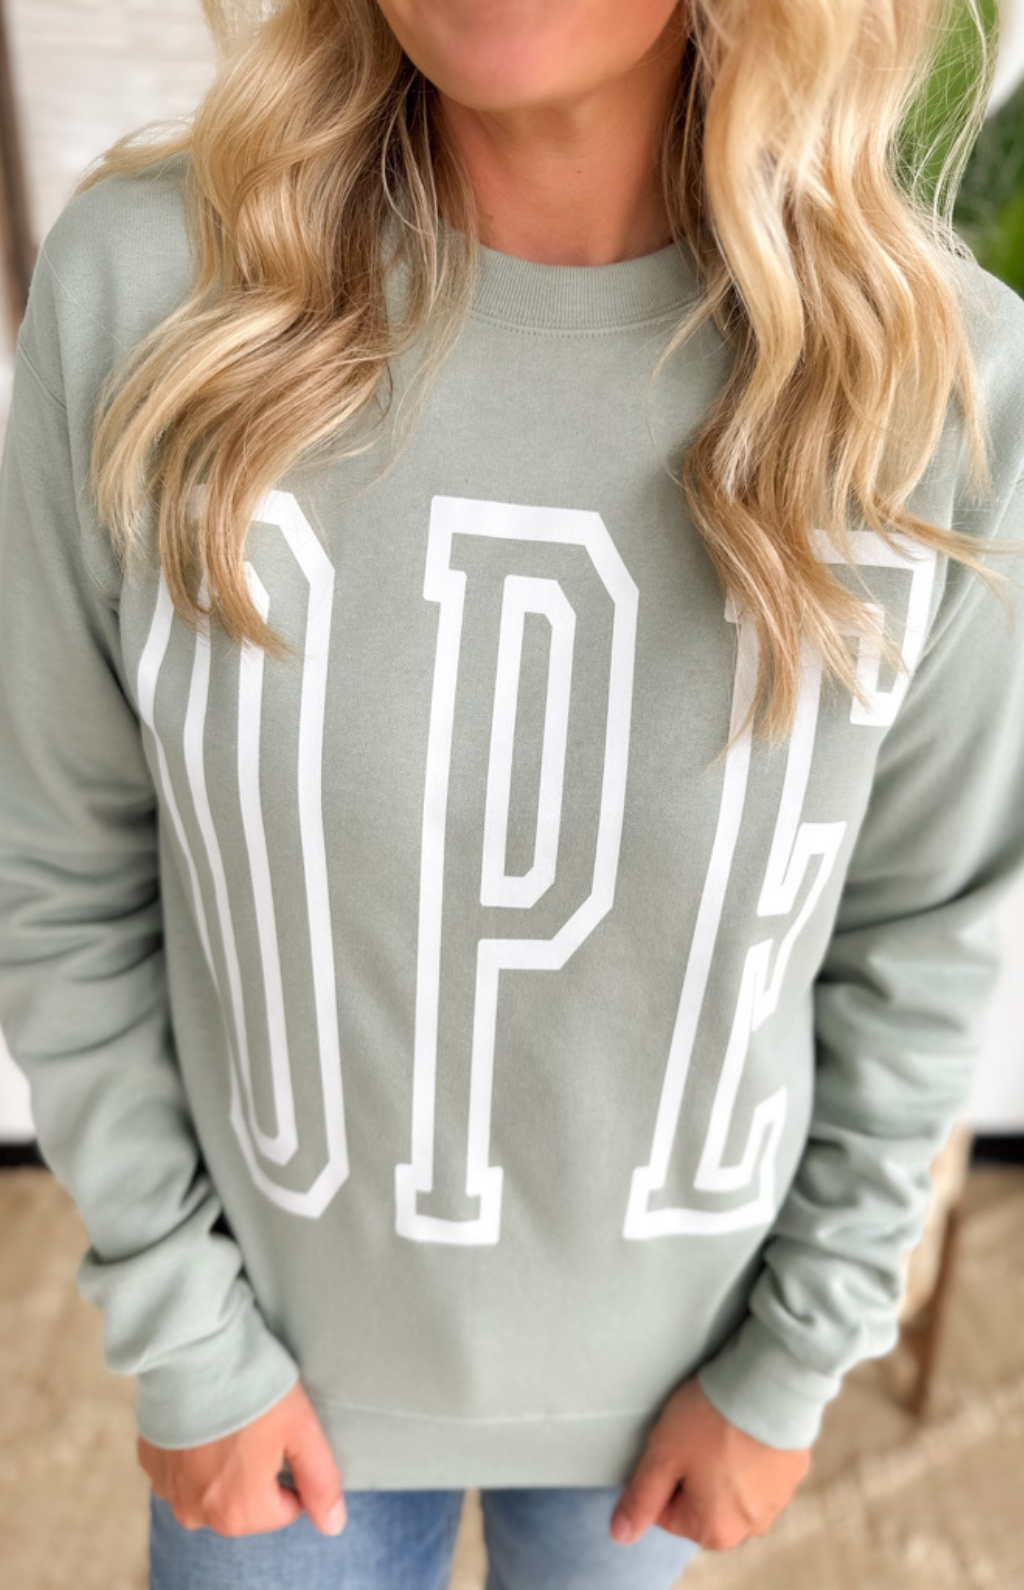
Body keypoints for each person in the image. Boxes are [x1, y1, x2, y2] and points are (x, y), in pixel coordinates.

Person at [2, 0, 1024, 1586]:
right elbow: (58, 871)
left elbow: (921, 932)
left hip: (681, 1394)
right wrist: (184, 1332)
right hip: (269, 1378)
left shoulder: (945, 385)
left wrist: (790, 1361)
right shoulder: (147, 296)